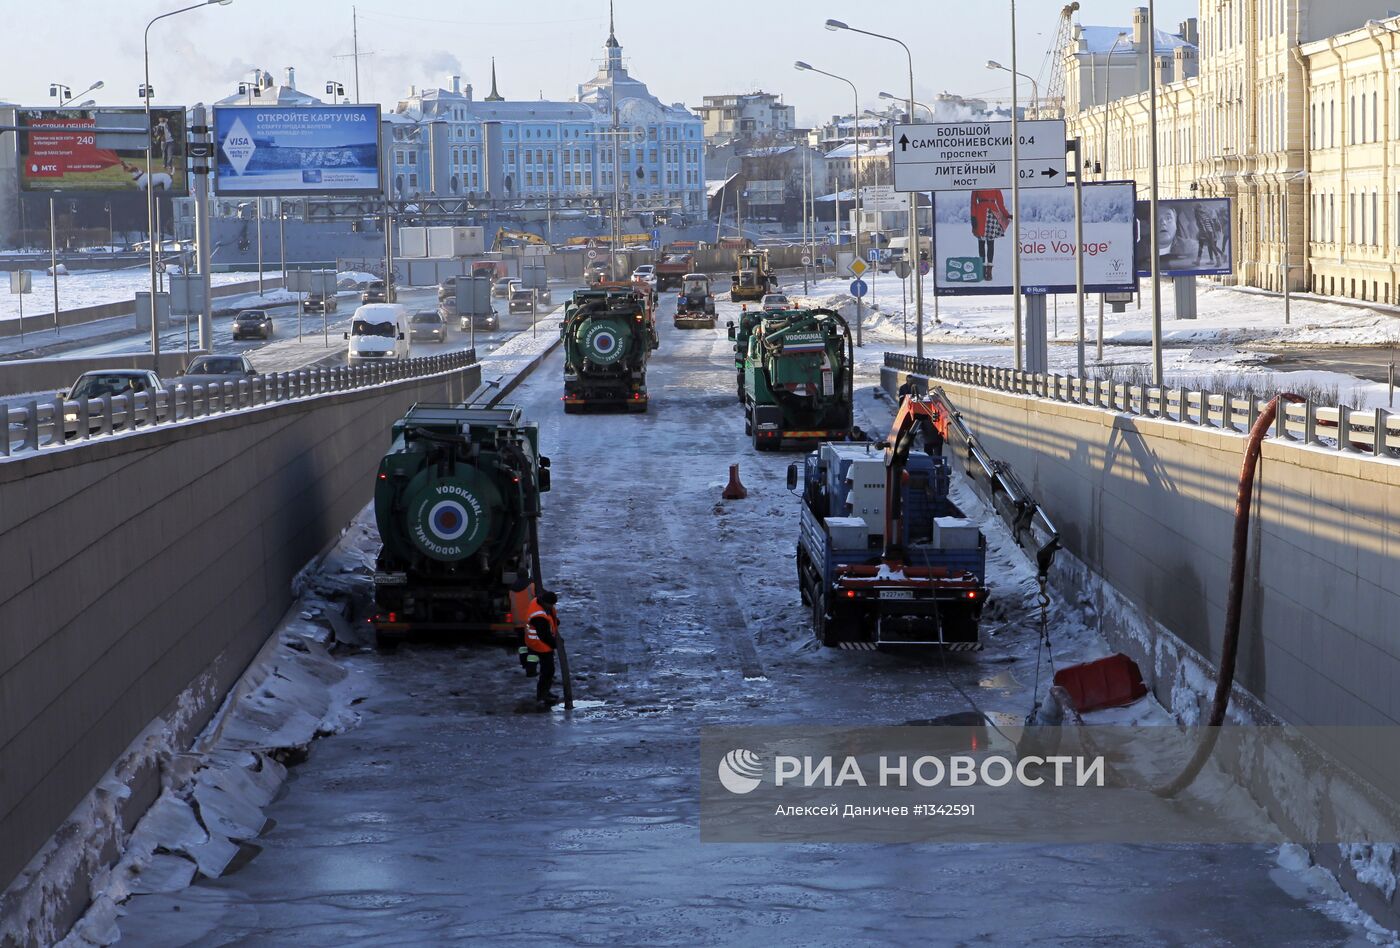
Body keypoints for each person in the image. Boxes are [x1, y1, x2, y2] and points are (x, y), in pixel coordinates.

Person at [522, 589, 560, 707]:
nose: (552, 606)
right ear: (545, 603)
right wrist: (556, 644)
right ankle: (543, 694)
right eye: (551, 604)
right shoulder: (539, 617)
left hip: (535, 641)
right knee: (548, 671)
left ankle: (544, 693)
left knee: (547, 670)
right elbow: (544, 636)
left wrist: (555, 622)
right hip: (540, 644)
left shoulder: (537, 602)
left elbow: (550, 618)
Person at [969, 189, 1011, 282]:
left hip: (992, 215)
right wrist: (973, 217)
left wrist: (1007, 215)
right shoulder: (977, 186)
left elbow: (1000, 204)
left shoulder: (995, 186)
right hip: (980, 215)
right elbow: (973, 203)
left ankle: (989, 270)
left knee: (990, 244)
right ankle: (982, 268)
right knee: (981, 243)